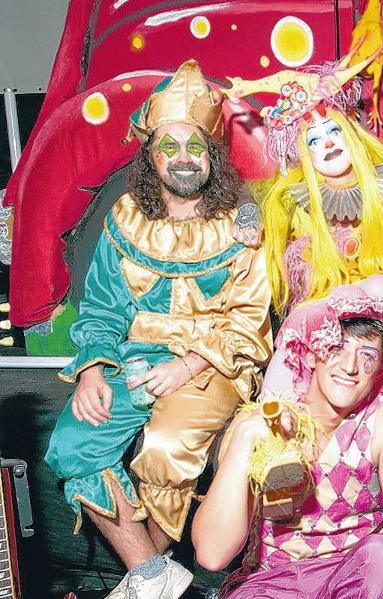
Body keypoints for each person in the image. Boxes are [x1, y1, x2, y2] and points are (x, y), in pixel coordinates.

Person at [44, 60, 272, 598]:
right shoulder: (125, 218)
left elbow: (248, 321)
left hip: (214, 363)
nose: (183, 157)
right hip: (133, 360)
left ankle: (146, 580)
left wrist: (188, 365)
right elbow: (102, 308)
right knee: (73, 443)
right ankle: (151, 575)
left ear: (212, 154)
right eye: (169, 146)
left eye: (195, 146)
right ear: (150, 155)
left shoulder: (241, 224)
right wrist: (92, 371)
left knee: (166, 447)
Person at [192, 276, 383, 599]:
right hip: (271, 585)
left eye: (366, 355)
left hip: (351, 583)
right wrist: (245, 436)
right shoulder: (266, 421)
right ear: (312, 353)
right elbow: (212, 555)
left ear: (382, 367)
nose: (350, 366)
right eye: (337, 347)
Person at [225, 45, 383, 318]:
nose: (327, 143)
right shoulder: (292, 193)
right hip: (321, 312)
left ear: (350, 135)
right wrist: (249, 212)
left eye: (334, 131)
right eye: (314, 139)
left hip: (377, 316)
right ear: (304, 154)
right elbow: (247, 192)